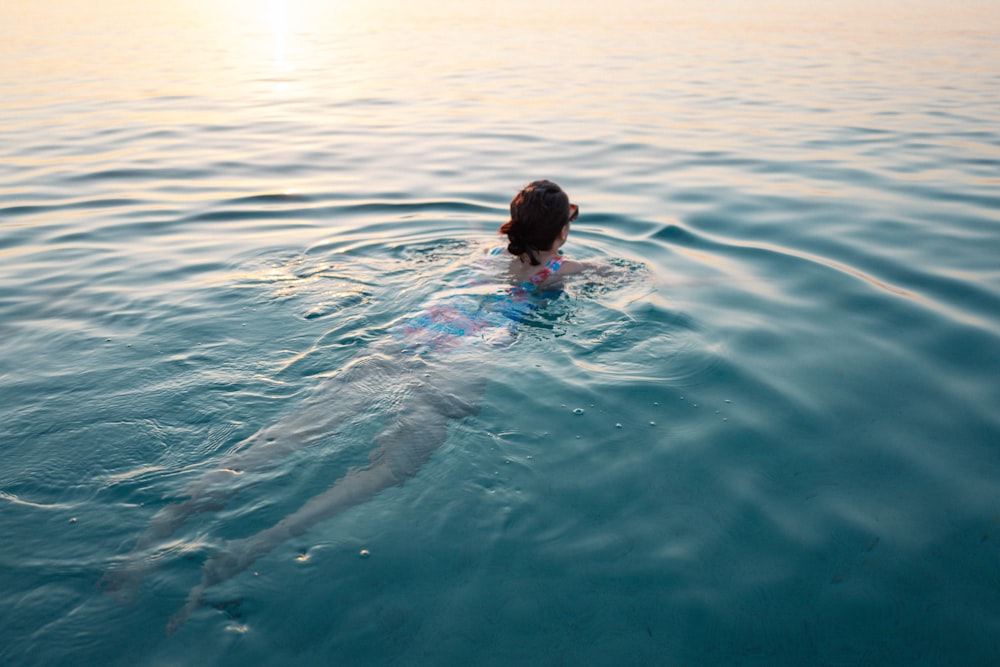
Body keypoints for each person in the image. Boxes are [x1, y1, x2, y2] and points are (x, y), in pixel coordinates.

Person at [101, 180, 595, 633]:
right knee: (394, 466)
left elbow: (492, 243)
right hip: (463, 358)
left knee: (285, 437)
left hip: (409, 336)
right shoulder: (563, 270)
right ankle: (246, 551)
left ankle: (150, 539)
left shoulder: (485, 254)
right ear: (563, 230)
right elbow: (622, 279)